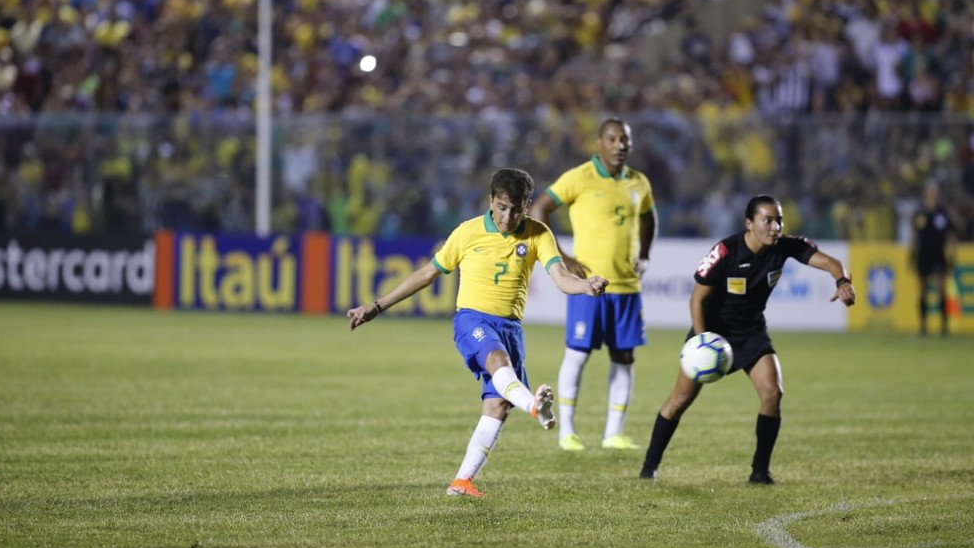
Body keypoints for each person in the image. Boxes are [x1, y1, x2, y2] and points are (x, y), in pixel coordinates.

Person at [347, 168, 609, 498]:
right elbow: (428, 273)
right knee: (498, 361)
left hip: (510, 328)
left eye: (516, 209)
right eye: (501, 207)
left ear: (527, 205)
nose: (507, 217)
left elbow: (560, 277)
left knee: (498, 406)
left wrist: (586, 285)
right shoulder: (467, 233)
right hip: (472, 321)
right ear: (490, 201)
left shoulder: (538, 234)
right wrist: (377, 305)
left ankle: (462, 481)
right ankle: (533, 406)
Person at [638, 194, 856, 484]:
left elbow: (831, 262)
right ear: (749, 223)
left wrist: (842, 282)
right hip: (713, 333)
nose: (775, 227)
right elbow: (697, 298)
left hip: (751, 332)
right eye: (767, 220)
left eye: (779, 220)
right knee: (679, 401)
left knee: (772, 393)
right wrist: (702, 341)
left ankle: (759, 472)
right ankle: (649, 468)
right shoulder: (726, 251)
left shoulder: (785, 246)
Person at [529, 117, 657, 452]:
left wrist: (644, 254)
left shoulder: (639, 183)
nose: (620, 146)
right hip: (589, 287)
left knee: (624, 357)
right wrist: (562, 256)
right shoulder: (579, 177)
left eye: (625, 140)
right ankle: (566, 432)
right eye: (612, 139)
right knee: (577, 354)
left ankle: (614, 433)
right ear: (599, 143)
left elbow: (648, 217)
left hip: (627, 287)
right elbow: (539, 208)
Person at [909, 180, 957, 336]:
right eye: (930, 192)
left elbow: (950, 236)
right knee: (922, 290)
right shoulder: (919, 213)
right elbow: (915, 235)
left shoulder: (943, 213)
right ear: (925, 194)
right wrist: (911, 254)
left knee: (941, 290)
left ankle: (944, 325)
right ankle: (923, 325)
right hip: (923, 254)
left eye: (934, 193)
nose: (932, 195)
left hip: (938, 254)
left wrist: (952, 254)